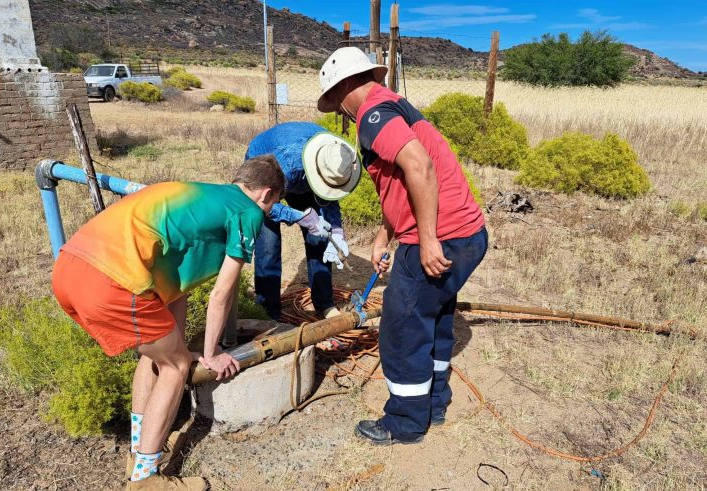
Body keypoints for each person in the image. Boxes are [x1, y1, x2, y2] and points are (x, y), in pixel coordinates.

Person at [51, 156, 285, 489]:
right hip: (110, 280)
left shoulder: (203, 198)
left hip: (69, 268)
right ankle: (147, 478)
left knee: (155, 355)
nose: (270, 211)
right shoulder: (247, 212)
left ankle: (137, 452)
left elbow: (175, 290)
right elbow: (222, 294)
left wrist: (179, 344)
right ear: (266, 194)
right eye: (273, 204)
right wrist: (211, 353)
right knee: (174, 367)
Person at [317, 47, 488, 445]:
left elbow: (420, 167)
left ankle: (405, 422)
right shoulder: (392, 105)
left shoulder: (373, 115)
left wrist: (426, 240)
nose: (339, 110)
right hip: (467, 234)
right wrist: (383, 237)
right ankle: (435, 403)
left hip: (442, 235)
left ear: (344, 88)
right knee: (435, 314)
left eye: (335, 101)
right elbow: (401, 186)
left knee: (403, 325)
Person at [245, 122, 361, 320]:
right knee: (269, 243)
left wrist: (337, 231)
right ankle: (267, 311)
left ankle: (324, 303)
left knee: (319, 239)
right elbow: (262, 203)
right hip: (265, 174)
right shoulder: (287, 162)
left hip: (304, 174)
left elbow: (329, 198)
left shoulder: (335, 156)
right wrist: (299, 216)